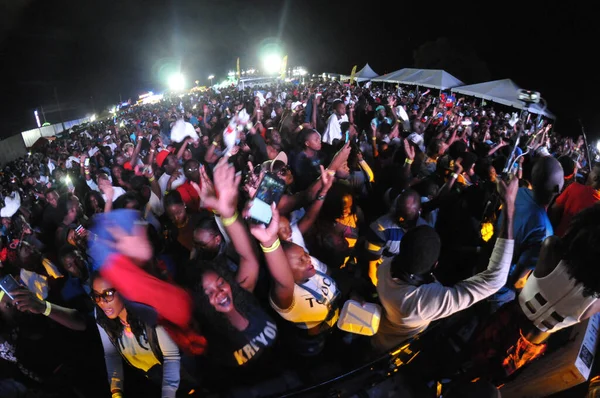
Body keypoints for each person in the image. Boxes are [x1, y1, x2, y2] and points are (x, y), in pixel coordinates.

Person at [372, 176, 517, 352]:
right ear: (435, 266)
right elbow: (496, 280)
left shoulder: (385, 267)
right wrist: (509, 206)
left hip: (379, 331)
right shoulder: (422, 303)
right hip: (394, 347)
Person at [488, 156, 564, 312]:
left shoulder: (519, 192)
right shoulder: (544, 231)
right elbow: (516, 278)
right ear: (557, 189)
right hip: (497, 285)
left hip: (486, 259)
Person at [92, 274, 182, 398]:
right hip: (155, 381)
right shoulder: (102, 316)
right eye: (97, 295)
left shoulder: (147, 312)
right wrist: (116, 391)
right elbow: (111, 354)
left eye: (108, 294)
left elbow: (171, 357)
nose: (102, 302)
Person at [365, 189, 430, 286]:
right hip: (384, 272)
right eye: (400, 214)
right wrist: (380, 287)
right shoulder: (380, 229)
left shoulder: (424, 231)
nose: (400, 219)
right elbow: (372, 267)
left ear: (419, 211)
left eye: (406, 217)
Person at [550, 162, 600, 237]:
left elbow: (554, 209)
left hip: (558, 238)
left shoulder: (574, 187)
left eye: (592, 171)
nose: (589, 172)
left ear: (595, 177)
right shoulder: (598, 207)